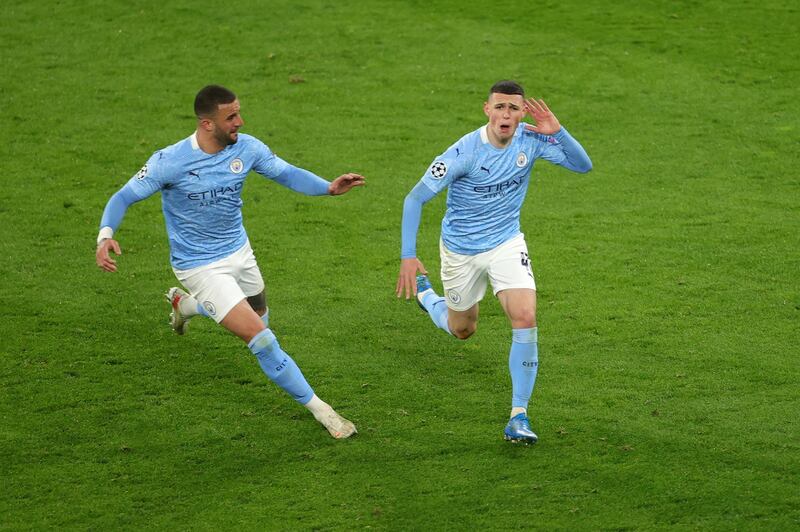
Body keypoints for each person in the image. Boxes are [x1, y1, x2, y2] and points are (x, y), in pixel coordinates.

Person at [96, 85, 364, 439]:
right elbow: (123, 196)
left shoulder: (247, 148)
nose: (240, 121)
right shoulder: (169, 161)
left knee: (258, 317)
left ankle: (185, 305)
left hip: (239, 252)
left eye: (238, 113)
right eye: (231, 117)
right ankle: (325, 413)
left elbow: (286, 173)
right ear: (208, 124)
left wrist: (327, 188)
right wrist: (105, 235)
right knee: (263, 339)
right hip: (199, 265)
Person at [396, 80, 592, 444]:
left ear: (522, 113)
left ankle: (519, 416)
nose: (506, 114)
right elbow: (413, 199)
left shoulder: (531, 141)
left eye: (514, 108)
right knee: (462, 330)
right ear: (487, 109)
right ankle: (429, 299)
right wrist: (409, 256)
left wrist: (559, 132)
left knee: (525, 316)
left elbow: (583, 166)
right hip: (461, 252)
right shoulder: (462, 153)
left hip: (505, 243)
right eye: (500, 107)